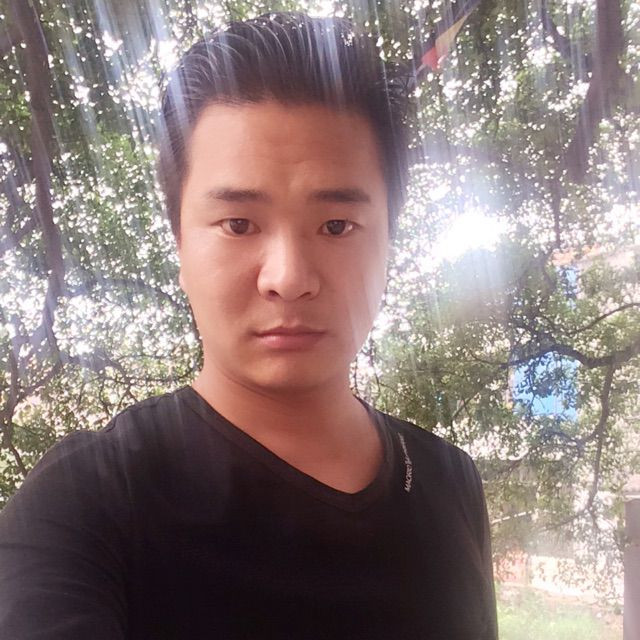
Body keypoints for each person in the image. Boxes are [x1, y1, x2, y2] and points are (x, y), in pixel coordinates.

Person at [0, 12, 497, 639]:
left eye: (337, 225)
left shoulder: (450, 480)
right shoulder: (83, 503)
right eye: (238, 224)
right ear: (180, 245)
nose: (288, 278)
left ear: (389, 242)